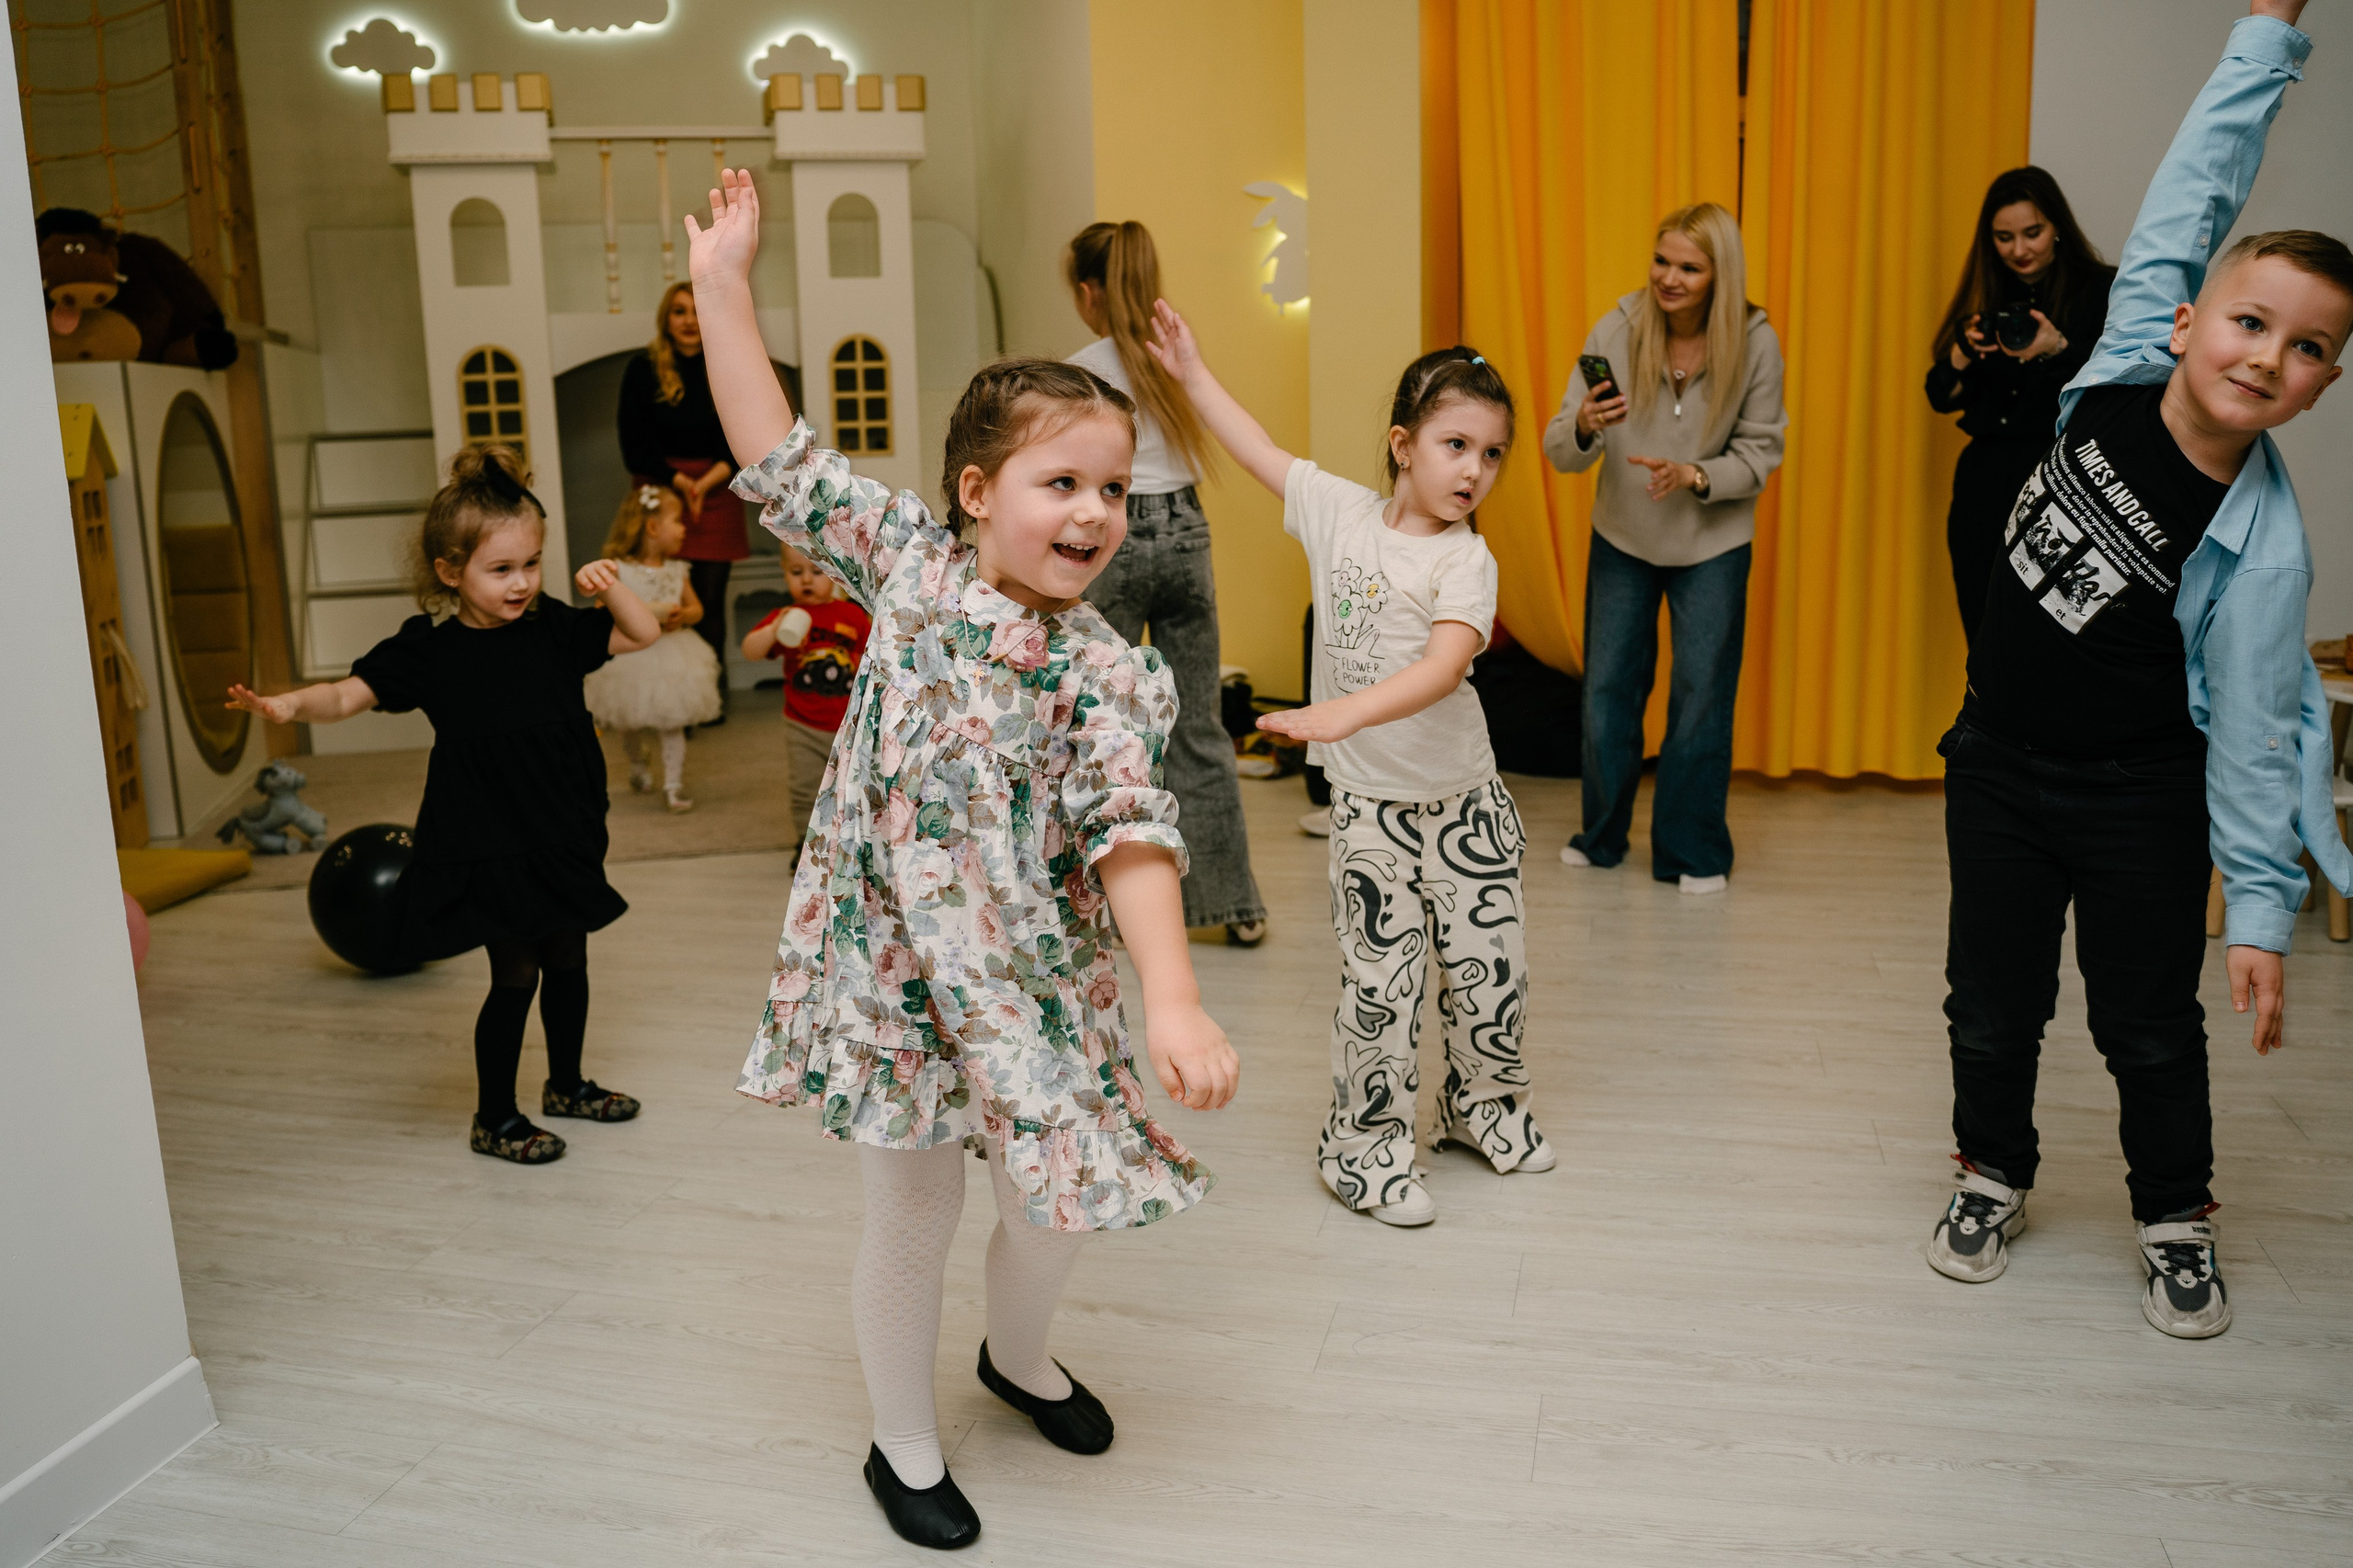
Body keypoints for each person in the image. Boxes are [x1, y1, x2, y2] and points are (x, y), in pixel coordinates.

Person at [686, 169, 1238, 1551]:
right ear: (979, 493)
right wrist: (722, 287)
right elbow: (776, 454)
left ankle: (1018, 1356)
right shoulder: (910, 567)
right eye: (1064, 482)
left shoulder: (1108, 670)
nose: (1097, 513)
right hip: (891, 974)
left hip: (1041, 984)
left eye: (1112, 486)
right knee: (915, 1207)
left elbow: (1134, 833)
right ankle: (903, 1440)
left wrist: (1170, 993)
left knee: (1054, 1205)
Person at [1924, 0, 2349, 1341]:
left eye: (2309, 347)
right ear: (2182, 317)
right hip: (1994, 758)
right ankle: (1990, 1168)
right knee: (1990, 999)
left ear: (2324, 384)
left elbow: (2261, 742)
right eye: (2251, 319)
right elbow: (2201, 170)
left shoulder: (2264, 549)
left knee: (2148, 1025)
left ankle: (2177, 1210)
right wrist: (2267, 30)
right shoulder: (2112, 367)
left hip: (2138, 798)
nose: (2268, 354)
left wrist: (2265, 919)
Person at [1147, 301, 1551, 1228]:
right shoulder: (1335, 511)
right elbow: (1250, 445)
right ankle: (1361, 1148)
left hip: (1464, 801)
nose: (1473, 470)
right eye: (1456, 444)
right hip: (1372, 811)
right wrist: (1189, 368)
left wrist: (1338, 713)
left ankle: (1478, 1108)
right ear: (1404, 444)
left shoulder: (1467, 561)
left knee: (1492, 971)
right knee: (1383, 984)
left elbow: (1443, 667)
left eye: (1491, 454)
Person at [226, 446, 661, 1165]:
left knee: (570, 958)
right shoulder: (429, 651)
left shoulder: (553, 626)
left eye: (531, 563)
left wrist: (611, 587)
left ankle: (567, 1085)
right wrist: (285, 704)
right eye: (501, 570)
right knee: (516, 971)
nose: (521, 583)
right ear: (450, 572)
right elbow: (343, 696)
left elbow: (642, 633)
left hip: (563, 823)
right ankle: (495, 1116)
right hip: (488, 834)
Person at [1542, 201, 1786, 894]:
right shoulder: (1615, 331)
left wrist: (1697, 475)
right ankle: (1602, 836)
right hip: (1623, 536)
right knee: (1608, 695)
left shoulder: (1756, 342)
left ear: (1719, 275)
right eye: (1662, 261)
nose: (1669, 279)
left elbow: (1762, 453)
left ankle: (1691, 850)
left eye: (1689, 267)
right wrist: (1586, 424)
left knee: (1701, 699)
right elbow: (1560, 451)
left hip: (1713, 541)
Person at [1064, 221, 1268, 946]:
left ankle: (1108, 905)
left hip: (1110, 539)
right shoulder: (1175, 356)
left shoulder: (1081, 370)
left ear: (1088, 293)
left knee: (1107, 727)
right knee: (1199, 724)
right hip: (1187, 530)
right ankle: (1234, 905)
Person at [1927, 168, 2115, 644]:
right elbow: (1939, 395)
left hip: (2061, 481)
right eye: (2004, 237)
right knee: (1985, 626)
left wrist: (2057, 347)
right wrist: (1965, 350)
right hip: (1983, 484)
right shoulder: (1990, 299)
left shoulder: (2101, 291)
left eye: (2032, 233)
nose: (2019, 250)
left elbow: (2116, 392)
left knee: (2058, 635)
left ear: (2057, 228)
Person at [619, 280, 742, 720]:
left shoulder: (728, 363)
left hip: (717, 486)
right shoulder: (643, 369)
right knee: (662, 598)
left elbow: (743, 434)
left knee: (707, 602)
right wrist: (677, 483)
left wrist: (703, 483)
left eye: (695, 311)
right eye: (678, 311)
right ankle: (668, 705)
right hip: (660, 490)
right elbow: (633, 442)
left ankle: (707, 698)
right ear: (665, 319)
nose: (689, 320)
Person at [584, 483, 724, 813]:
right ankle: (638, 766)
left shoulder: (678, 570)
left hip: (672, 652)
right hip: (631, 655)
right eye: (677, 521)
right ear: (652, 527)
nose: (683, 530)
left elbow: (697, 610)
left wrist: (682, 615)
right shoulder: (618, 568)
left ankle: (673, 786)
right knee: (628, 720)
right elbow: (600, 612)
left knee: (671, 720)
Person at [740, 542, 872, 850]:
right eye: (797, 572)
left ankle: (851, 840)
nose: (807, 580)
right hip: (802, 723)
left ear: (835, 575)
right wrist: (774, 629)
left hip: (847, 725)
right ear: (785, 574)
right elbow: (751, 651)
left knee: (851, 784)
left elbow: (872, 658)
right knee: (804, 786)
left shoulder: (851, 616)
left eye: (817, 571)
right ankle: (806, 842)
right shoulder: (785, 616)